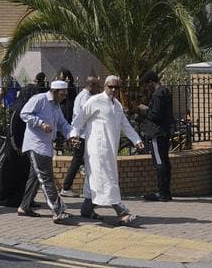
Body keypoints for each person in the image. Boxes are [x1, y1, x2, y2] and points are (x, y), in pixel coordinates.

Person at [70, 75, 145, 225]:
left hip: (110, 150)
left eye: (116, 87)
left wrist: (137, 140)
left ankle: (86, 208)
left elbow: (126, 125)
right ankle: (121, 212)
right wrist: (74, 135)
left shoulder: (116, 105)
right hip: (97, 149)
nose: (113, 90)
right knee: (106, 179)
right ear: (104, 86)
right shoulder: (94, 101)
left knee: (97, 180)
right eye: (110, 86)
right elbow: (79, 120)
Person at [17, 78, 73, 223]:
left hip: (46, 145)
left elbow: (62, 123)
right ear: (54, 92)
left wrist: (72, 135)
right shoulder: (39, 99)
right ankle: (57, 210)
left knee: (36, 177)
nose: (64, 97)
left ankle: (24, 206)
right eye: (62, 94)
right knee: (46, 177)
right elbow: (24, 114)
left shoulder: (56, 106)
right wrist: (41, 123)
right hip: (36, 144)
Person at [60, 73, 100, 197]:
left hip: (82, 134)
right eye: (97, 86)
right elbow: (84, 116)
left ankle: (84, 185)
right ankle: (66, 187)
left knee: (81, 160)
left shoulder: (84, 96)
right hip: (81, 134)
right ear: (91, 86)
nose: (98, 89)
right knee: (77, 160)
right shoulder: (85, 98)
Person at [138, 71, 174, 201]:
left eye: (147, 85)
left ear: (151, 82)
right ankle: (165, 191)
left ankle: (162, 192)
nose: (146, 88)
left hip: (157, 133)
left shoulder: (158, 94)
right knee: (164, 161)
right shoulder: (165, 92)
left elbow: (155, 115)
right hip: (163, 132)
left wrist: (145, 109)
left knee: (159, 162)